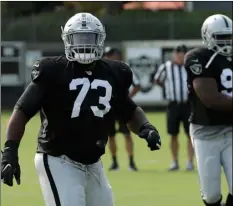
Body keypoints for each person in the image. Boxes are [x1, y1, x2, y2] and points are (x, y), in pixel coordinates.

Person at [1, 13, 162, 206]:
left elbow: (129, 109)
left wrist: (146, 127)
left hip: (93, 163)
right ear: (67, 40)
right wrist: (10, 151)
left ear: (100, 39)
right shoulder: (53, 70)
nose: (84, 44)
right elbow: (22, 110)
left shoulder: (113, 72)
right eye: (78, 38)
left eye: (89, 38)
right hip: (57, 158)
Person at [184, 14, 232, 206]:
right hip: (206, 132)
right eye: (221, 37)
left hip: (231, 130)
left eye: (229, 36)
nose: (226, 42)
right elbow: (210, 98)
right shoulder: (198, 57)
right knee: (211, 196)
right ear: (208, 36)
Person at [154, 44, 194, 171]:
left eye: (182, 53)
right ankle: (175, 161)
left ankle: (190, 162)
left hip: (188, 104)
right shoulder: (166, 67)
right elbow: (157, 80)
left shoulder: (190, 67)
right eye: (178, 53)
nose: (180, 56)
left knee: (190, 134)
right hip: (173, 104)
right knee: (173, 134)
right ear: (174, 54)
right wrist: (169, 89)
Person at [103, 47, 140, 171]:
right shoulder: (102, 69)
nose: (108, 57)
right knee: (110, 135)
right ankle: (114, 162)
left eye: (110, 55)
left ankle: (131, 162)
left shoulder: (124, 69)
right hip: (108, 107)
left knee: (126, 134)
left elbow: (137, 84)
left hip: (122, 106)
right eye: (107, 55)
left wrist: (127, 97)